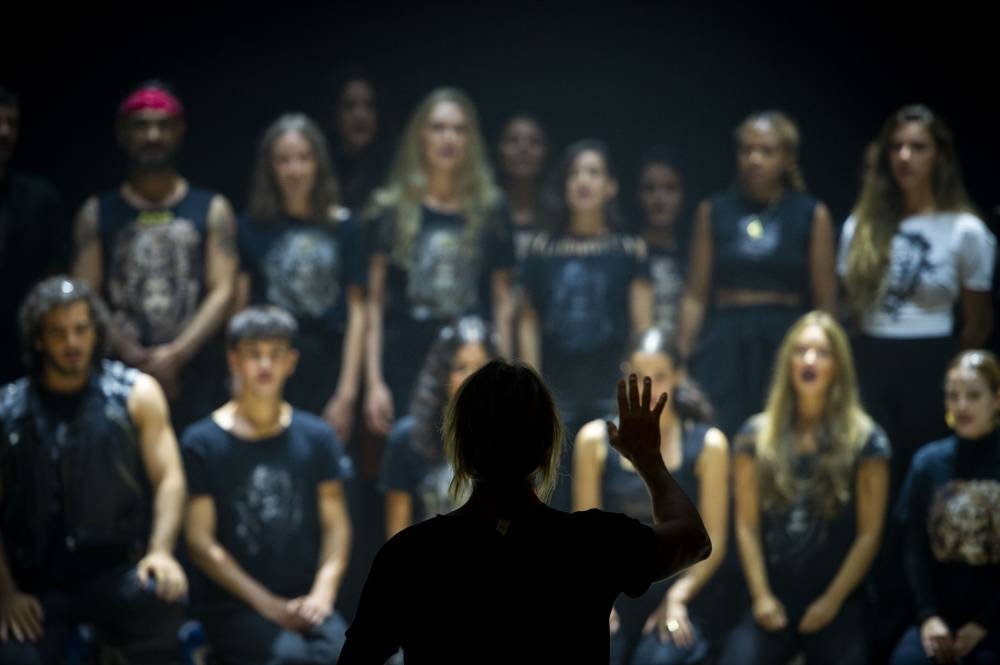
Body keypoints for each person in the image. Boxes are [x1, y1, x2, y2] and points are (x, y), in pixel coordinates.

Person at [340, 361, 711, 663]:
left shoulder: (411, 554)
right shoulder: (591, 543)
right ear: (547, 445)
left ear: (460, 445)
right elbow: (694, 539)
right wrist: (649, 462)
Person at [838, 105, 996, 660]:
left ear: (939, 156)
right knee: (875, 493)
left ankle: (934, 612)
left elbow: (975, 324)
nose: (905, 157)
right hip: (876, 363)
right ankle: (883, 621)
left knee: (927, 488)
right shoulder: (863, 224)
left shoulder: (965, 228)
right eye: (897, 146)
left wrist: (954, 381)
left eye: (918, 146)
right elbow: (852, 313)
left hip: (934, 364)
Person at [0, 276, 188, 664]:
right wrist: (5, 592)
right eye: (58, 332)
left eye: (81, 330)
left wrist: (162, 552)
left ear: (96, 332)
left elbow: (170, 478)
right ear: (39, 339)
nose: (72, 343)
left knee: (164, 597)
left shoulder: (136, 393)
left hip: (115, 570)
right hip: (37, 582)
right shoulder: (7, 410)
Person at [182, 306, 353, 664]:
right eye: (254, 355)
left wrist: (322, 596)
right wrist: (268, 605)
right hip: (234, 604)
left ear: (291, 361)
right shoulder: (202, 442)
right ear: (233, 359)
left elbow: (336, 526)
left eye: (275, 355)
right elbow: (200, 541)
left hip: (306, 598)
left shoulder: (317, 436)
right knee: (288, 659)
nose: (265, 366)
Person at [720, 311, 889, 665]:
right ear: (788, 362)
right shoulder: (754, 436)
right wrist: (762, 596)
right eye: (800, 351)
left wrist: (831, 602)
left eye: (822, 352)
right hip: (773, 598)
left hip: (838, 600)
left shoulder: (867, 441)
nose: (809, 360)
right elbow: (746, 526)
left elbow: (869, 534)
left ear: (838, 365)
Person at [72, 80, 238, 430]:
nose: (152, 135)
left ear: (179, 132)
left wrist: (177, 354)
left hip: (197, 378)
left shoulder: (212, 209)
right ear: (123, 133)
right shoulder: (96, 212)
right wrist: (130, 353)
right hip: (117, 375)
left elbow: (224, 290)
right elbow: (84, 291)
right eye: (141, 125)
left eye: (163, 125)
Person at [363, 87, 515, 436]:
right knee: (414, 461)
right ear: (420, 136)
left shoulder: (492, 209)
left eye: (459, 130)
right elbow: (372, 302)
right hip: (406, 358)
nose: (449, 138)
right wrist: (374, 382)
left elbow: (503, 301)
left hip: (472, 357)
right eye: (438, 128)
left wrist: (507, 373)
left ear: (471, 140)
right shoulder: (390, 207)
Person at [677, 110, 836, 438]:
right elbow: (695, 293)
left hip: (784, 334)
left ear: (788, 157)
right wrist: (681, 358)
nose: (754, 159)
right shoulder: (714, 210)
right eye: (746, 150)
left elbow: (825, 298)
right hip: (726, 335)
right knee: (720, 428)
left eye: (766, 151)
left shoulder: (811, 213)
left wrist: (827, 353)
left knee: (782, 431)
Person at [574, 329, 729, 665]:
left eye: (659, 377)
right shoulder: (593, 440)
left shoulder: (709, 445)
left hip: (681, 587)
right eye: (639, 377)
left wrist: (678, 597)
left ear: (678, 376)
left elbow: (712, 540)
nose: (648, 389)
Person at [519, 139, 653, 509]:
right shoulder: (540, 248)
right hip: (556, 385)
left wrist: (634, 387)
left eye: (593, 173)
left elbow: (642, 328)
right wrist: (532, 383)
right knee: (551, 484)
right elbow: (528, 321)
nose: (583, 181)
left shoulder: (629, 249)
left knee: (608, 484)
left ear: (611, 186)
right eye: (575, 174)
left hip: (609, 384)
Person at [237, 113, 366, 440]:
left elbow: (358, 312)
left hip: (330, 363)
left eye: (304, 159)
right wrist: (240, 382)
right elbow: (240, 313)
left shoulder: (345, 227)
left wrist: (347, 394)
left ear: (318, 163)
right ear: (270, 168)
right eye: (284, 160)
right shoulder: (251, 228)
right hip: (270, 365)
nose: (295, 170)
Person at [890, 350, 1000, 665]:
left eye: (973, 395)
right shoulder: (928, 463)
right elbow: (912, 548)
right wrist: (928, 617)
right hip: (940, 619)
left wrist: (984, 624)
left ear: (996, 399)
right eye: (953, 395)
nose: (961, 405)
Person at [380, 316, 497, 538]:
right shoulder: (406, 438)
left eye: (481, 368)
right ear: (442, 374)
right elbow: (397, 532)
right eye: (460, 368)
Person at [0, 85, 67, 384]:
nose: (3, 132)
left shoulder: (40, 200)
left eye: (11, 123)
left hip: (25, 359)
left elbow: (55, 279)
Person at [636, 146, 688, 342]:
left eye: (670, 188)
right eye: (650, 189)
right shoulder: (626, 250)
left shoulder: (696, 252)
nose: (659, 199)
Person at [328, 69, 391, 216]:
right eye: (349, 106)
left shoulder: (395, 166)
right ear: (335, 114)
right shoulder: (320, 166)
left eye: (369, 106)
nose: (360, 115)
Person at [496, 113, 548, 260]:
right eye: (513, 140)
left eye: (534, 142)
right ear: (499, 150)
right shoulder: (483, 210)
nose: (524, 149)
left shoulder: (561, 212)